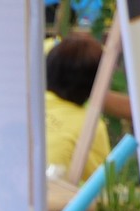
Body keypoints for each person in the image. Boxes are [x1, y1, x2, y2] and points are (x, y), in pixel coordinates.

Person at [46, 33, 128, 180]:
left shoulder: (32, 105)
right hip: (54, 201)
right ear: (98, 84)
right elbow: (103, 184)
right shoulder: (91, 126)